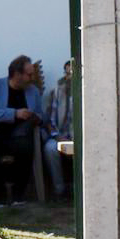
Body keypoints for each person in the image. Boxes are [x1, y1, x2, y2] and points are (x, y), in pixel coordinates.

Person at [0, 55, 46, 205]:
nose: (32, 78)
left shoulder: (33, 91)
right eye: (29, 75)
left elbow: (41, 114)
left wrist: (36, 118)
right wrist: (14, 113)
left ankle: (18, 194)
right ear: (17, 74)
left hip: (21, 135)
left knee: (25, 146)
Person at [42, 57, 74, 198]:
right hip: (63, 138)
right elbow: (50, 120)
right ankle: (59, 189)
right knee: (50, 148)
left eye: (72, 74)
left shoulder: (91, 93)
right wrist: (58, 137)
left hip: (84, 139)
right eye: (67, 73)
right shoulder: (56, 93)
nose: (69, 77)